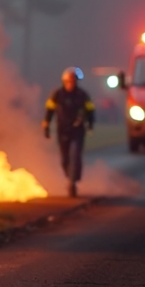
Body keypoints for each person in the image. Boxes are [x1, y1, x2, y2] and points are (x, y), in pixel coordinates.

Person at [43, 67, 94, 197]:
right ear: (64, 82)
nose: (70, 84)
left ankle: (72, 183)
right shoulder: (57, 95)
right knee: (65, 159)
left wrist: (90, 124)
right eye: (68, 81)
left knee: (75, 155)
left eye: (73, 81)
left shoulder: (82, 95)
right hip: (62, 130)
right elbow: (49, 110)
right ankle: (70, 178)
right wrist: (46, 125)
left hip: (77, 130)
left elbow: (90, 110)